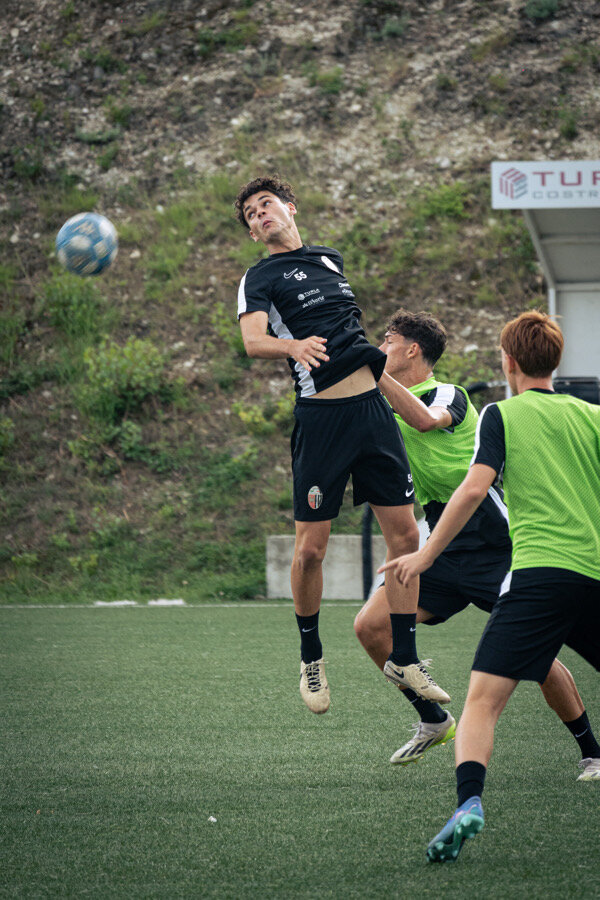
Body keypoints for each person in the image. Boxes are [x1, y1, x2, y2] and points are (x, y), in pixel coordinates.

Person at [380, 310, 600, 862]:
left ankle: (468, 805)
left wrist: (424, 553)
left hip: (536, 571)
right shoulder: (593, 416)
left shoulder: (497, 414)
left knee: (481, 701)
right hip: (594, 572)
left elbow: (475, 489)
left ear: (507, 361)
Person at [234, 174, 450, 714]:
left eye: (266, 205)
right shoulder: (258, 276)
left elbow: (353, 338)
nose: (260, 215)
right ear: (253, 233)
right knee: (311, 550)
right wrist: (292, 344)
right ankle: (310, 656)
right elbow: (253, 341)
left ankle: (405, 655)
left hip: (372, 414)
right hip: (322, 419)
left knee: (405, 537)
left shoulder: (329, 259)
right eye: (250, 215)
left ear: (290, 207)